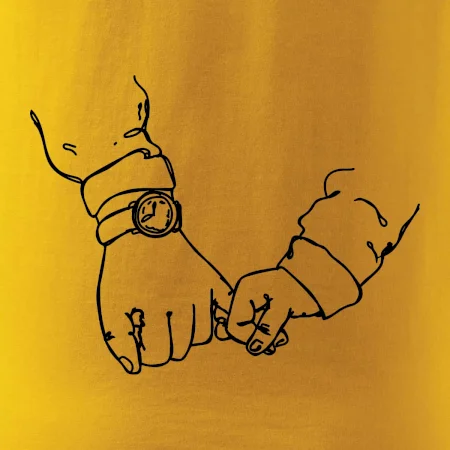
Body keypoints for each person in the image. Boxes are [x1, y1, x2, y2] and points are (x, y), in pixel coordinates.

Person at [31, 77, 419, 374]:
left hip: (352, 396)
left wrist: (311, 274)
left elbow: (420, 114)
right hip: (69, 394)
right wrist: (131, 210)